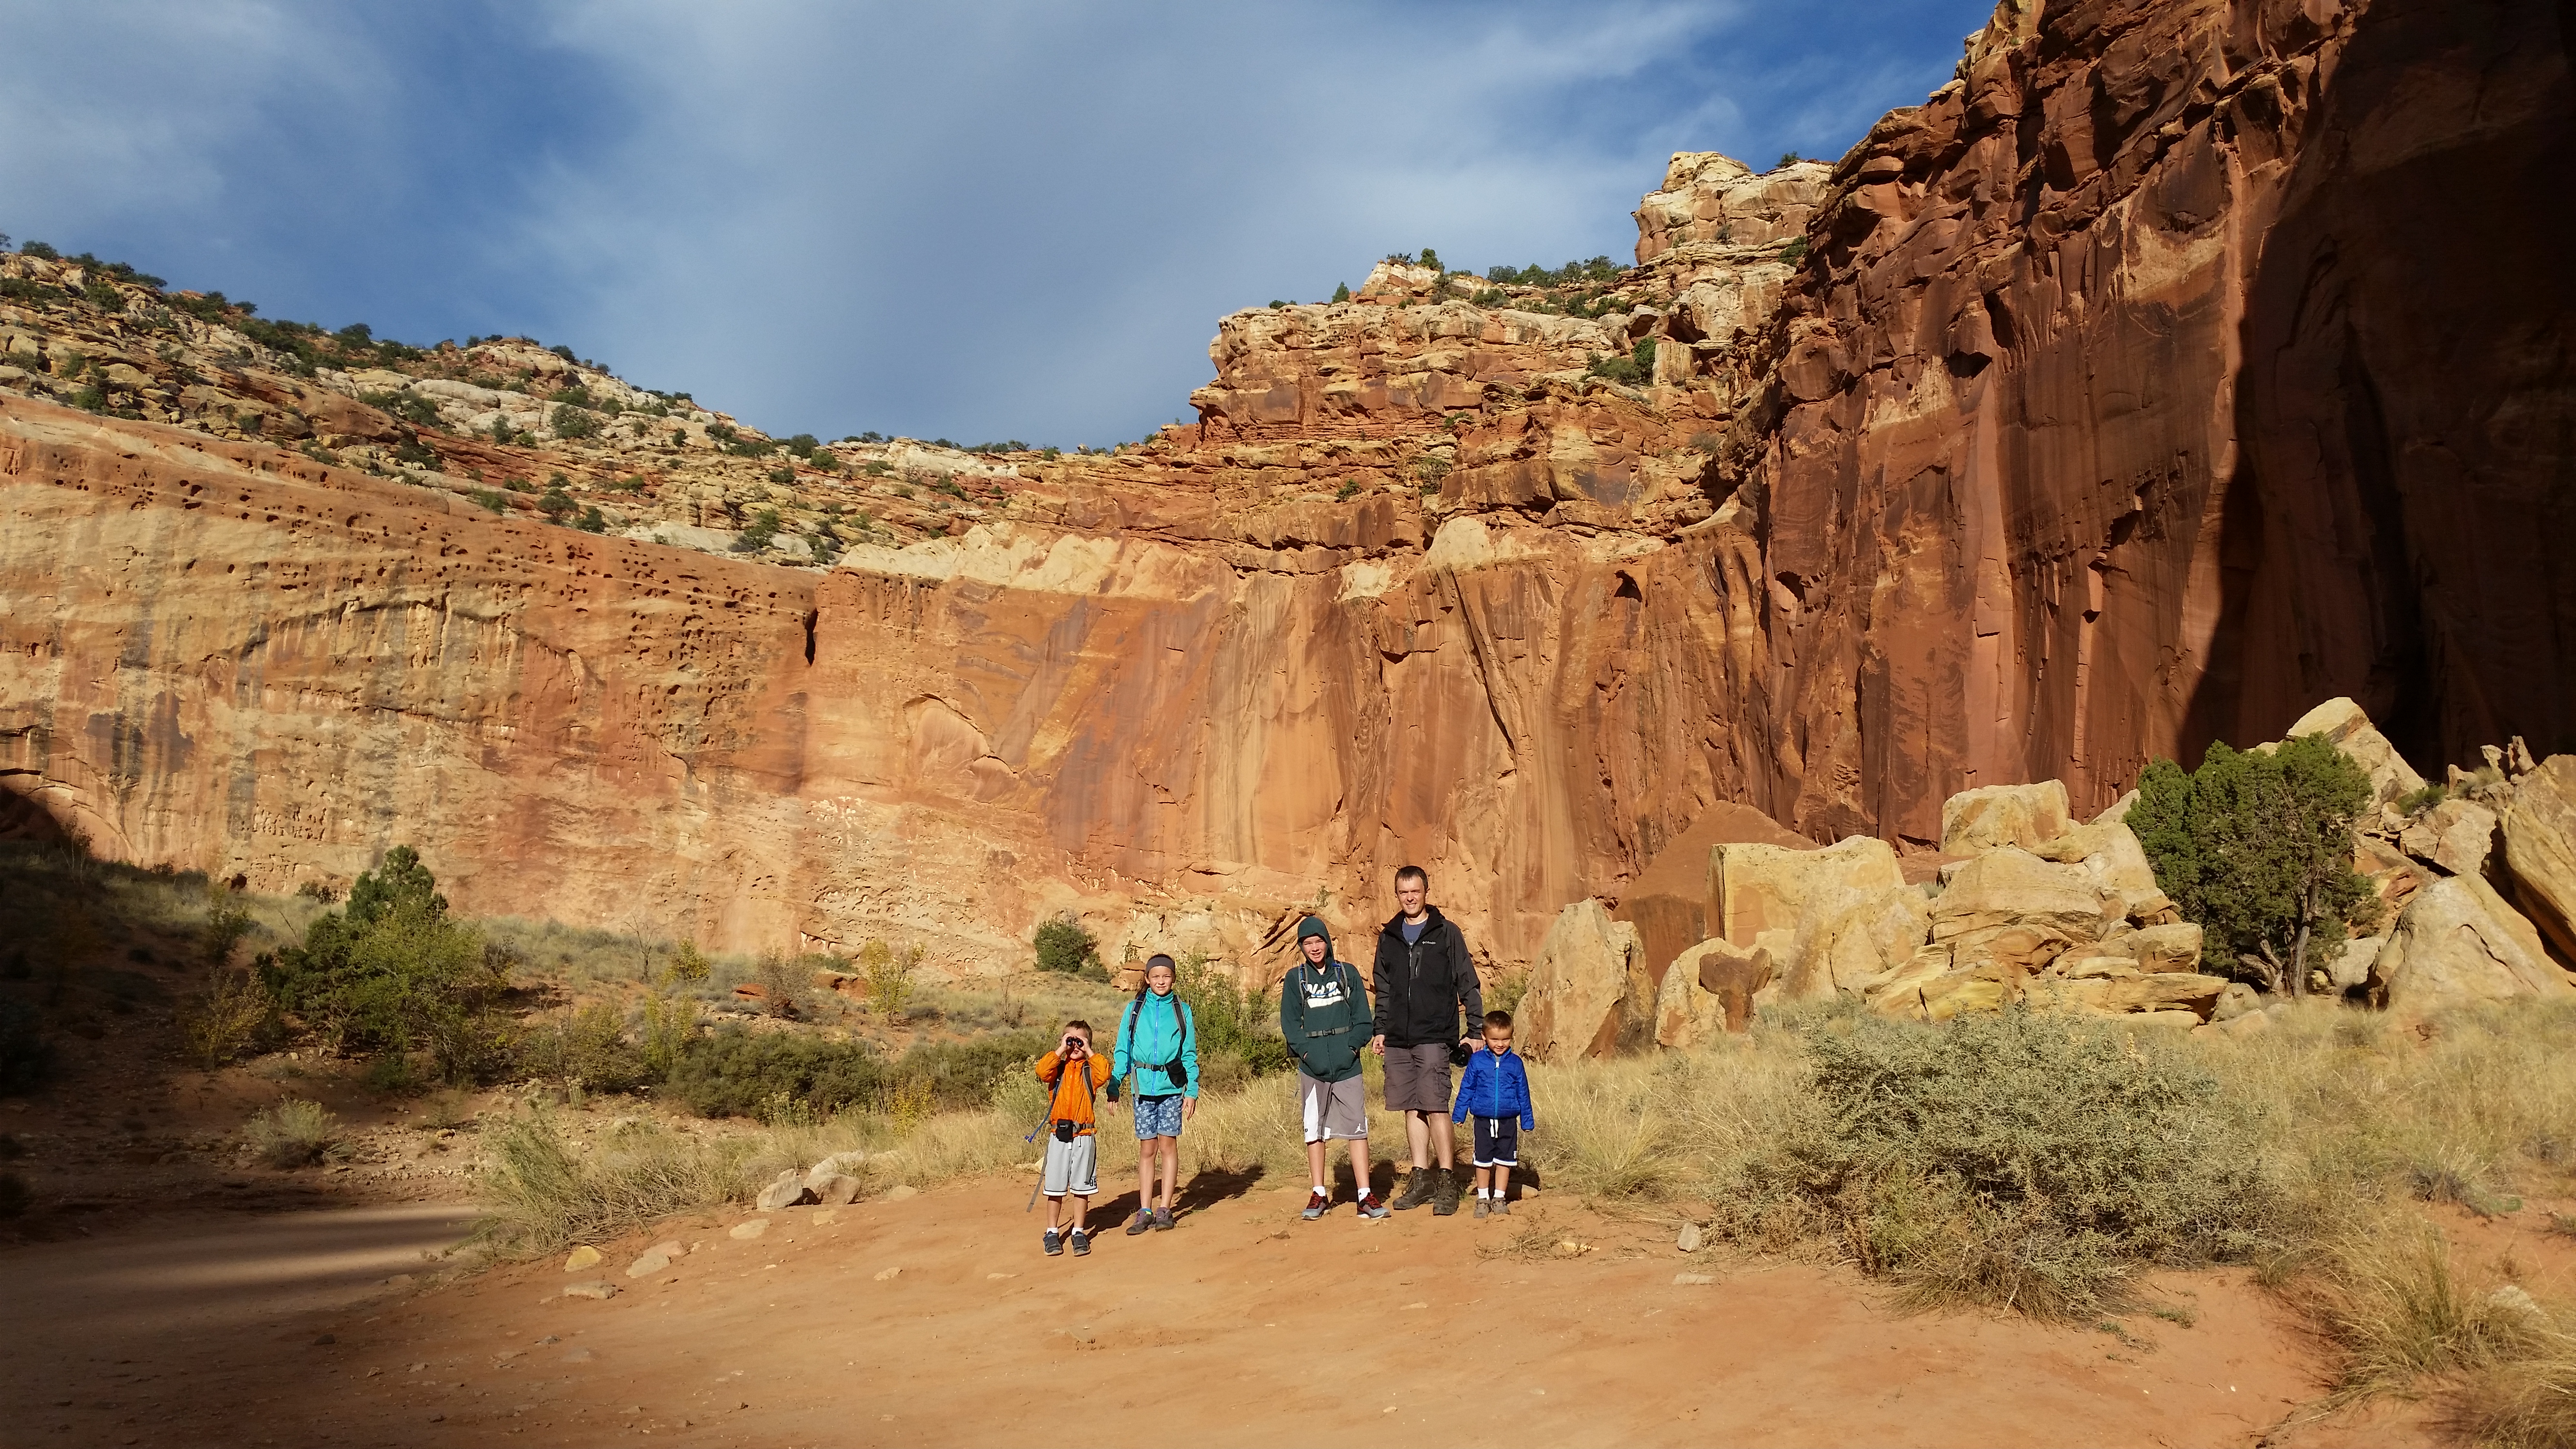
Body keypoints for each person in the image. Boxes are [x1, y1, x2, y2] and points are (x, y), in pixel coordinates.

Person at [1370, 865, 1481, 1216]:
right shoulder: (1389, 936)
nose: (1410, 898)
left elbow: (1468, 981)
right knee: (1411, 1106)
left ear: (1426, 892)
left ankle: (1447, 1180)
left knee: (1435, 1105)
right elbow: (1383, 988)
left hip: (1435, 1034)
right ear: (1397, 895)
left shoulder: (1446, 933)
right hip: (1400, 1038)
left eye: (1415, 891)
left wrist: (1476, 1029)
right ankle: (1421, 1178)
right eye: (1404, 893)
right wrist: (1380, 1029)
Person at [1279, 915, 1387, 1220]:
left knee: (1357, 1127)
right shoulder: (1295, 978)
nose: (1314, 947)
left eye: (1319, 941)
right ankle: (1319, 1193)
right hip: (1312, 1068)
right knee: (1314, 1129)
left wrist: (1351, 1048)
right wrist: (1308, 1054)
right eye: (1308, 942)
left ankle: (1364, 1195)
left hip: (1347, 1065)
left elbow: (1363, 1019)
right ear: (1301, 946)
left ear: (1328, 941)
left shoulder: (1347, 973)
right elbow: (1290, 1023)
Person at [1112, 952, 1199, 1235]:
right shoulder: (1134, 1010)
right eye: (1156, 976)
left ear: (1173, 978)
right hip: (1142, 1088)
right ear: (1147, 979)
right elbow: (1123, 1049)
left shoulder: (1181, 1010)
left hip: (1172, 1088)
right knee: (1147, 1149)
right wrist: (1115, 1083)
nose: (1162, 981)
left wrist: (1192, 1090)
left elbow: (1189, 1053)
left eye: (1167, 976)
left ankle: (1165, 1208)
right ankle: (1145, 1210)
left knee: (1168, 1146)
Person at [1033, 1018, 1115, 1256]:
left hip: (1084, 1135)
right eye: (1071, 1040)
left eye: (1079, 1041)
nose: (1075, 1045)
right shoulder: (1057, 1069)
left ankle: (1078, 1232)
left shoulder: (1090, 1071)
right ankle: (1051, 1232)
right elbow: (1042, 1070)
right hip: (1059, 1135)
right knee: (1055, 1188)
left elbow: (1105, 1072)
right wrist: (1061, 1050)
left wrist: (1089, 1050)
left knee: (1081, 1187)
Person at [1450, 1009, 1534, 1217]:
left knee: (1506, 1160)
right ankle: (1483, 1198)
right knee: (1483, 1159)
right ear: (1484, 1037)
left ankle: (1499, 1197)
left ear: (1511, 1037)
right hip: (1483, 1119)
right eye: (1495, 1039)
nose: (1500, 1044)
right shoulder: (1477, 1061)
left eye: (1505, 1039)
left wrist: (1527, 1120)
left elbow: (1523, 1092)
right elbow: (1467, 1087)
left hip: (1508, 1120)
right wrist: (1460, 1114)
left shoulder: (1516, 1063)